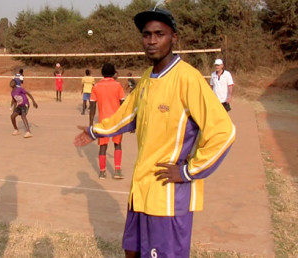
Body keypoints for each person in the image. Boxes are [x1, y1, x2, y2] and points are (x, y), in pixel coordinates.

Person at [74, 7, 236, 257]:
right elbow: (128, 113)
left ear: (174, 37)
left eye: (159, 34)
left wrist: (188, 171)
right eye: (146, 34)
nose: (151, 41)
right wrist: (96, 131)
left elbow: (224, 132)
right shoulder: (149, 77)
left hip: (168, 196)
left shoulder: (188, 79)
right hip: (142, 189)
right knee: (131, 251)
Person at [89, 63, 125, 179]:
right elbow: (123, 104)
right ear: (114, 73)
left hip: (103, 120)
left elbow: (92, 106)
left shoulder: (96, 87)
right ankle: (117, 170)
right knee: (117, 144)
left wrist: (91, 124)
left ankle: (102, 172)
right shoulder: (118, 85)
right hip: (116, 120)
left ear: (102, 73)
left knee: (103, 146)